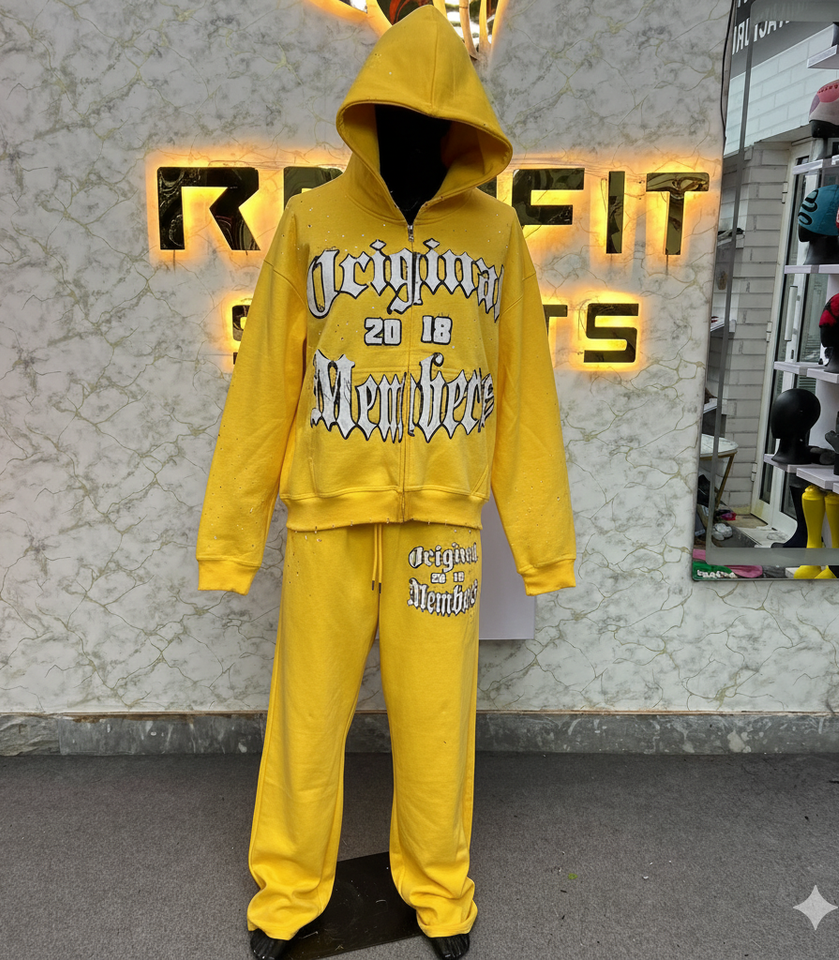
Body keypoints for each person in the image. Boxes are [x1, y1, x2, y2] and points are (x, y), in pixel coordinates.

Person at [196, 7, 576, 958]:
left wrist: (543, 544)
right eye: (399, 113)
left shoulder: (496, 234)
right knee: (307, 719)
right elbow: (264, 389)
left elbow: (524, 393)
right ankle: (288, 893)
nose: (416, 128)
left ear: (464, 126)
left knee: (438, 722)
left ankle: (440, 891)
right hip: (327, 520)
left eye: (437, 116)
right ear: (368, 115)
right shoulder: (312, 221)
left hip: (442, 529)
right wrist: (232, 539)